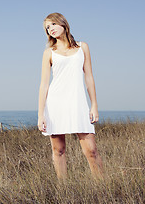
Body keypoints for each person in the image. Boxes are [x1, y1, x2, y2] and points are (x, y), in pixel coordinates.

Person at [37, 12, 103, 179]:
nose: (50, 29)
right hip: (55, 104)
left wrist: (94, 104)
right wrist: (41, 115)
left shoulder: (82, 47)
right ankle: (63, 189)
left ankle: (102, 187)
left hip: (78, 103)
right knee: (58, 150)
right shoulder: (49, 52)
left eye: (52, 24)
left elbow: (89, 77)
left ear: (63, 24)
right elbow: (44, 85)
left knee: (91, 150)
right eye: (47, 27)